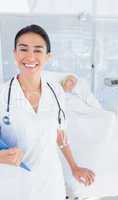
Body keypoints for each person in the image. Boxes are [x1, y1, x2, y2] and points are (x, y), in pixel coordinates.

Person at [0, 24, 95, 200]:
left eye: (38, 50)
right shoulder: (2, 94)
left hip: (50, 184)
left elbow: (60, 134)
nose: (30, 56)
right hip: (12, 186)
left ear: (48, 56)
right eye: (23, 49)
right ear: (15, 54)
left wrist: (74, 167)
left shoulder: (56, 92)